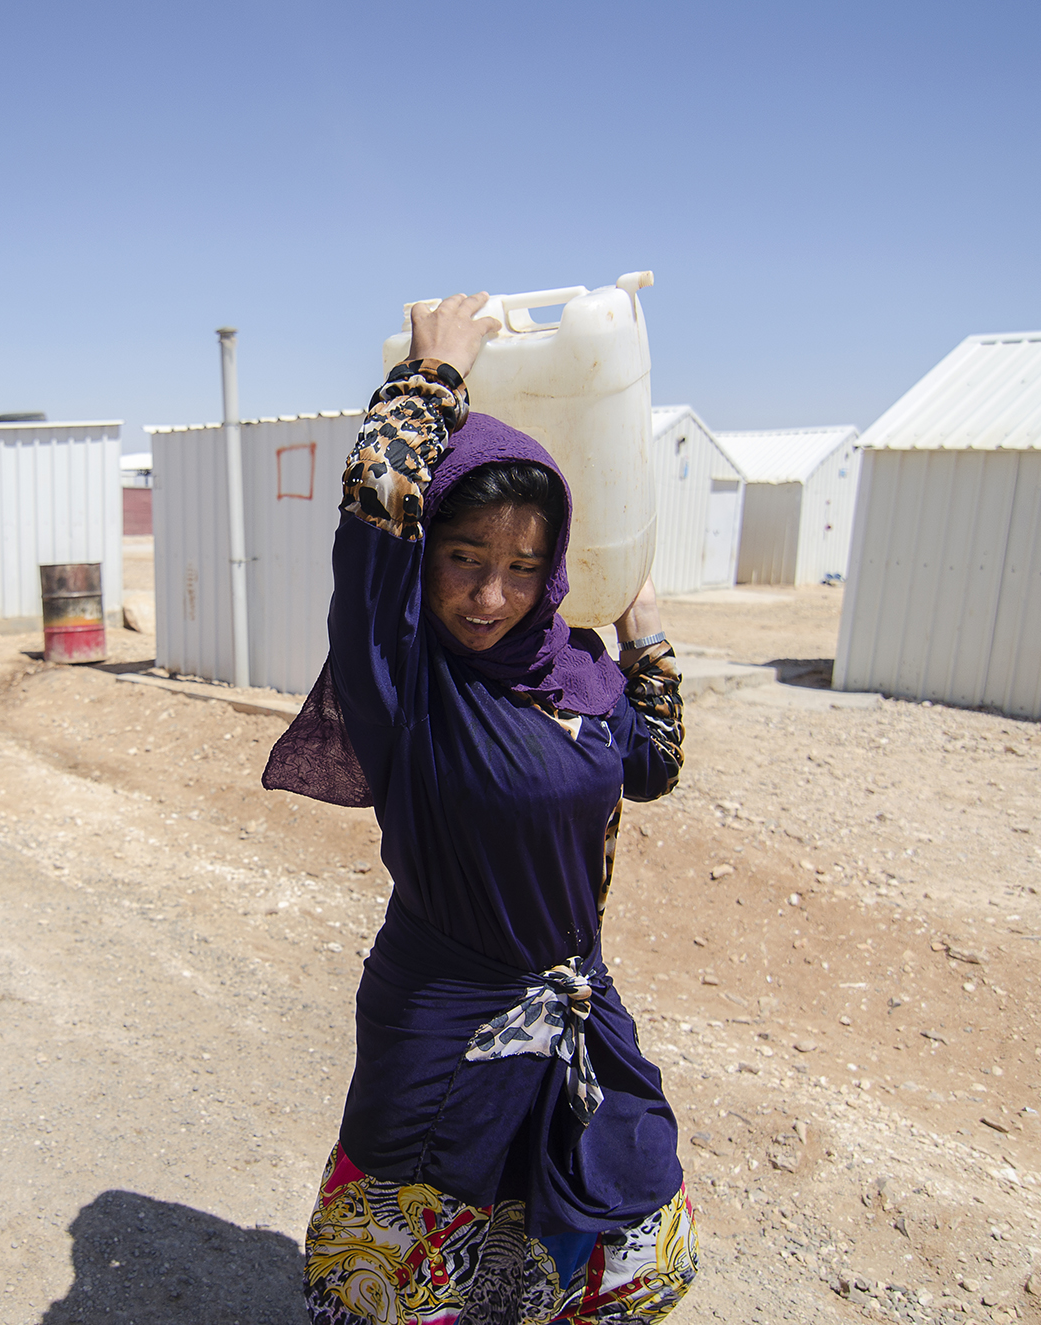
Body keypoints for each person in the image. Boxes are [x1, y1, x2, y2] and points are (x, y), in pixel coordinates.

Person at [265, 294, 695, 1324]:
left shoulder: (574, 676)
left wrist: (640, 625)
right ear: (428, 556)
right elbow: (374, 505)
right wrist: (432, 374)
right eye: (464, 557)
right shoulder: (404, 682)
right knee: (411, 1276)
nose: (489, 595)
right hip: (441, 1024)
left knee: (608, 1249)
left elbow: (652, 765)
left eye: (520, 567)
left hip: (573, 1010)